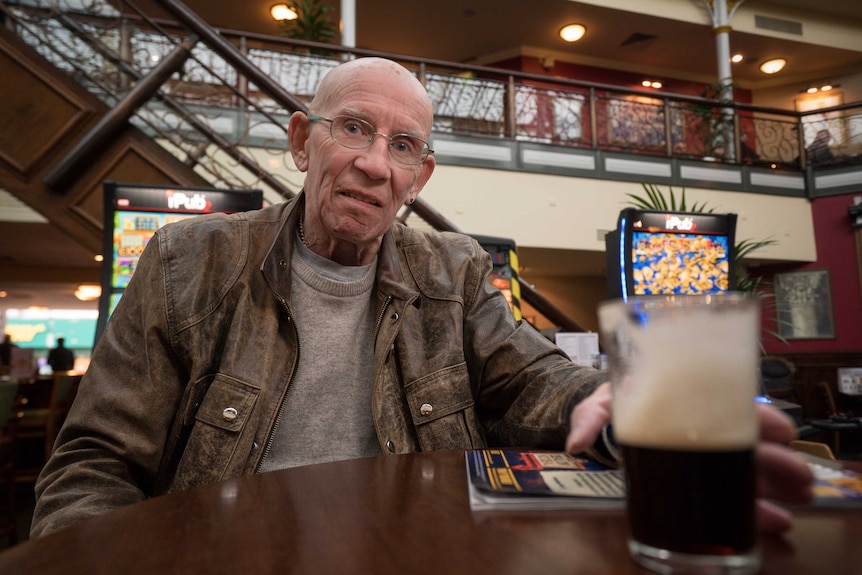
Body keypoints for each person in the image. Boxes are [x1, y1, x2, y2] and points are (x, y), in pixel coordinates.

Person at [30, 57, 812, 537]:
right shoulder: (185, 261)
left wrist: (613, 400)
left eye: (402, 145)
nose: (375, 164)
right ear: (303, 142)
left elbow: (536, 376)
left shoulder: (454, 270)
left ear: (419, 177)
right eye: (354, 130)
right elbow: (93, 465)